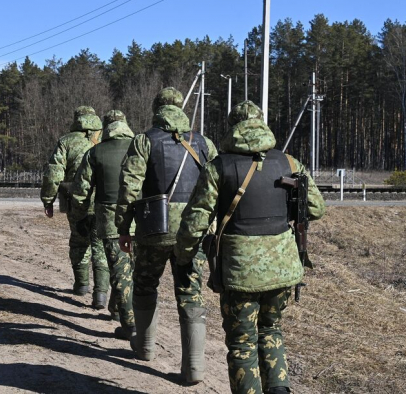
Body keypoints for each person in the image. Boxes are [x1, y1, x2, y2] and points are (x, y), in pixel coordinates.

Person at [174, 101, 326, 394]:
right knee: (271, 331)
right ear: (261, 123)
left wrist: (184, 255)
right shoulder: (290, 163)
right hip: (283, 267)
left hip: (240, 271)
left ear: (233, 128)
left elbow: (195, 222)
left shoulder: (218, 167)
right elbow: (316, 209)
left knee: (242, 342)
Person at [115, 87, 218, 384]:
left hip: (153, 230)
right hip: (193, 231)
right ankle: (194, 368)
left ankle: (145, 347)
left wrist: (125, 228)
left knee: (145, 284)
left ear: (156, 109)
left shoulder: (144, 141)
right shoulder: (203, 142)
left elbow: (129, 187)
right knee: (190, 292)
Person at [71, 110, 136, 338]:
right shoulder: (141, 147)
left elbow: (81, 191)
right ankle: (119, 310)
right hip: (144, 218)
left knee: (119, 270)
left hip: (110, 218)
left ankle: (128, 324)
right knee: (137, 270)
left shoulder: (96, 152)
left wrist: (79, 217)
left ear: (105, 127)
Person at [41, 106, 109, 308]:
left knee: (79, 243)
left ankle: (81, 285)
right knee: (100, 246)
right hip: (103, 201)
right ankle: (101, 294)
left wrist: (48, 199)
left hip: (75, 201)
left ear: (77, 120)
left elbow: (54, 173)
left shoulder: (67, 141)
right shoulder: (107, 139)